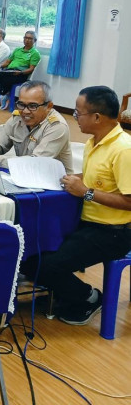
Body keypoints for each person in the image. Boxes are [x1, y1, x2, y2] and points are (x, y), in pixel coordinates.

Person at [20, 86, 131, 325]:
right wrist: (69, 179)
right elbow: (95, 178)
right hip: (85, 222)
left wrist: (86, 192)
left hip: (113, 232)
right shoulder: (94, 142)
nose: (75, 117)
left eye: (78, 113)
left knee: (45, 265)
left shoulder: (124, 150)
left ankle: (89, 298)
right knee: (28, 250)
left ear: (97, 117)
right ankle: (66, 291)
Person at [0, 80, 73, 173]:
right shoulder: (17, 118)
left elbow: (35, 163)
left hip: (53, 180)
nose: (25, 111)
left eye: (33, 106)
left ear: (48, 106)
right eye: (21, 104)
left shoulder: (57, 127)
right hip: (24, 175)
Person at [0, 31, 41, 105]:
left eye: (30, 38)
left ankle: (3, 96)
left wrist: (21, 72)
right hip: (9, 71)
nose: (27, 40)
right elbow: (7, 62)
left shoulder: (35, 53)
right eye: (26, 38)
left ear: (34, 40)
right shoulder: (17, 50)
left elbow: (31, 69)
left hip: (21, 74)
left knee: (6, 81)